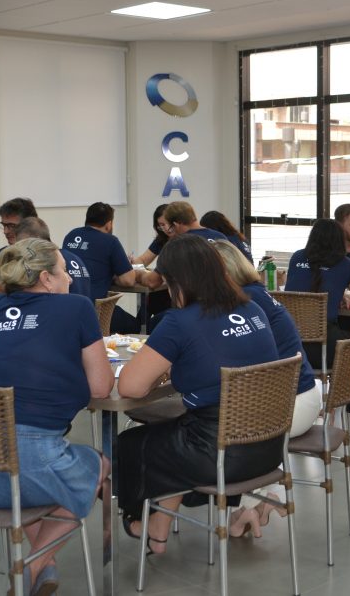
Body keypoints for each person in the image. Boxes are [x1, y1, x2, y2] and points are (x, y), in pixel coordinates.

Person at [0, 238, 113, 595]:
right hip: (31, 459)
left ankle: (44, 567)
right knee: (97, 468)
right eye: (64, 271)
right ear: (47, 279)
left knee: (36, 483)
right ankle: (31, 565)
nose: (70, 278)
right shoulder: (78, 307)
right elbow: (100, 388)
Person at [116, 235, 285, 555]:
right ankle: (159, 530)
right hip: (269, 446)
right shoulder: (252, 309)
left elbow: (129, 387)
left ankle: (141, 521)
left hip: (218, 454)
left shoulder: (180, 321)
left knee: (133, 443)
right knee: (172, 435)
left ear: (177, 282)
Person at [211, 239, 322, 537]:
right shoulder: (256, 293)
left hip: (289, 405)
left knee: (223, 429)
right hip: (304, 395)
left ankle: (251, 504)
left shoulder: (243, 302)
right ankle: (257, 503)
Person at [284, 218, 350, 370]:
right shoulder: (344, 264)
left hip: (288, 348)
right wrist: (348, 297)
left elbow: (306, 286)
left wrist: (339, 294)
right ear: (339, 239)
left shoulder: (297, 257)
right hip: (324, 351)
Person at [62, 202, 138, 333]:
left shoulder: (71, 235)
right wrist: (113, 276)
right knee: (135, 325)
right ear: (109, 224)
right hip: (95, 311)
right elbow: (128, 280)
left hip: (68, 309)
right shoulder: (110, 241)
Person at [137, 201, 230, 290]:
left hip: (196, 298)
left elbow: (152, 281)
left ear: (175, 224)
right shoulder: (220, 237)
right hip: (224, 295)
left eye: (170, 226)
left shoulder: (178, 245)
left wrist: (139, 274)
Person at [13, 216, 93, 300]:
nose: (22, 250)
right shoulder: (75, 258)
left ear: (37, 241)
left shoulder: (47, 263)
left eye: (25, 244)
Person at [129, 204, 172, 325]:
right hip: (159, 289)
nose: (163, 229)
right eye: (160, 226)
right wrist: (130, 262)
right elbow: (143, 259)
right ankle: (141, 326)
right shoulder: (161, 240)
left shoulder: (183, 241)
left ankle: (141, 326)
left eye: (164, 224)